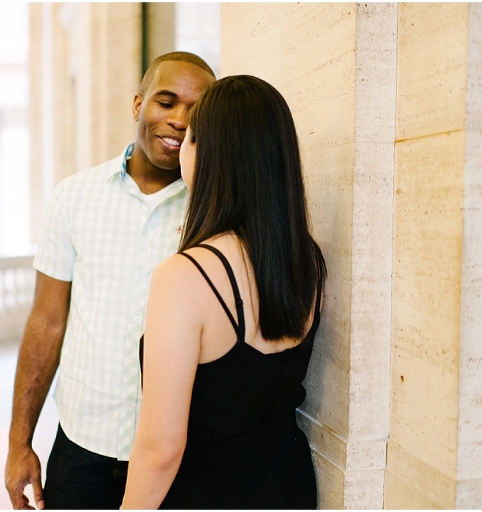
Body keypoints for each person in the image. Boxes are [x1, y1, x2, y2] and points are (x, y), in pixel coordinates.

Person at [4, 52, 216, 510]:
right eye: (166, 101)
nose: (180, 120)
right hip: (81, 448)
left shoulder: (212, 211)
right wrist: (19, 442)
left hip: (178, 456)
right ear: (138, 105)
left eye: (196, 111)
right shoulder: (74, 197)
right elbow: (46, 323)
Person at [121, 75, 327, 509]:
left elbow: (160, 449)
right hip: (287, 485)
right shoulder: (307, 259)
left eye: (191, 137)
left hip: (208, 492)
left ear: (207, 153)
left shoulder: (184, 276)